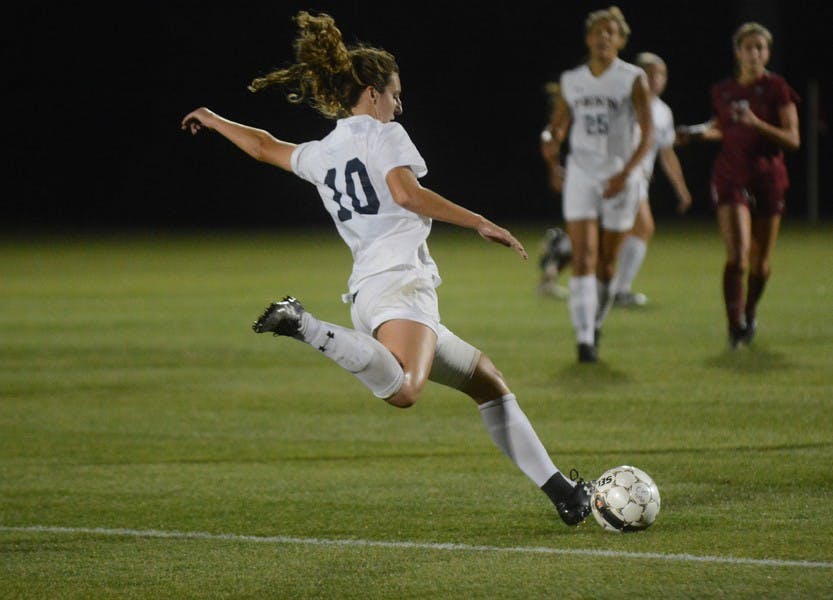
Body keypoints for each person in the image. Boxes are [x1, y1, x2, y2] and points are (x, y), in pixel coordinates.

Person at [181, 11, 594, 525]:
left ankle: (565, 495)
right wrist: (479, 221)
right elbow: (406, 193)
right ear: (372, 94)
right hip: (401, 287)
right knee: (404, 390)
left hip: (372, 295)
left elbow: (265, 145)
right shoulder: (386, 135)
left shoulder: (323, 151)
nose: (399, 103)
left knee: (487, 381)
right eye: (395, 93)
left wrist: (216, 119)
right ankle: (304, 325)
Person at [541, 6, 654, 363]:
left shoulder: (632, 77)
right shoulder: (573, 80)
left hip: (620, 175)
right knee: (584, 255)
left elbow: (647, 133)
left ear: (620, 40)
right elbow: (556, 126)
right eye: (598, 32)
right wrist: (550, 147)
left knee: (607, 263)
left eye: (611, 33)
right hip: (582, 174)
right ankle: (584, 339)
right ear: (588, 38)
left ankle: (596, 322)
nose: (604, 38)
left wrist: (626, 173)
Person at [676, 22, 799, 349]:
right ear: (738, 52)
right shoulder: (723, 90)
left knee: (761, 264)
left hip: (768, 177)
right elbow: (723, 127)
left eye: (760, 47)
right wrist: (697, 133)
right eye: (749, 47)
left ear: (768, 52)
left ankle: (749, 310)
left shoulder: (777, 88)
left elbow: (792, 138)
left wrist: (758, 124)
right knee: (739, 256)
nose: (754, 53)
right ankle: (735, 327)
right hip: (731, 176)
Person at [607, 52, 693, 308]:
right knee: (637, 228)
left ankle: (612, 289)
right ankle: (612, 290)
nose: (657, 79)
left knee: (632, 231)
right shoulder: (625, 101)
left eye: (661, 74)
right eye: (651, 74)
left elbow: (666, 154)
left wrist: (682, 190)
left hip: (638, 179)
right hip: (621, 176)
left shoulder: (663, 112)